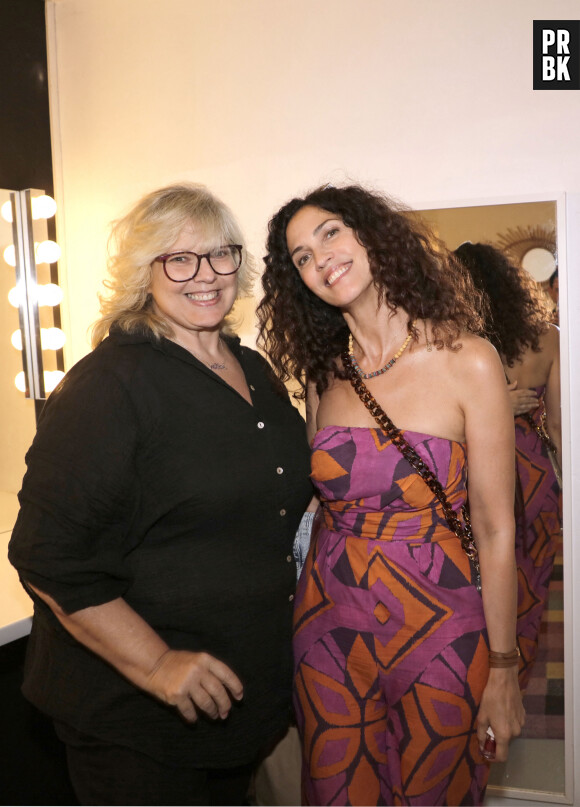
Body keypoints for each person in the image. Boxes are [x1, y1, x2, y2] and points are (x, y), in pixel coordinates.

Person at [8, 183, 313, 806]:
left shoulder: (251, 367)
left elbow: (275, 497)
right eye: (179, 258)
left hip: (237, 710)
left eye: (220, 254)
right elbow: (49, 554)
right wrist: (156, 665)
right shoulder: (110, 385)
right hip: (136, 727)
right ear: (144, 273)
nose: (204, 275)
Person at [257, 184, 525, 806]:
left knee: (435, 787)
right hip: (327, 627)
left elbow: (496, 528)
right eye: (300, 256)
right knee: (334, 790)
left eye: (330, 233)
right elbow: (321, 510)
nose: (320, 257)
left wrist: (505, 666)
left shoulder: (469, 360)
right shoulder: (322, 375)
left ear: (372, 236)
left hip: (441, 625)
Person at [453, 242, 562, 690]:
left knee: (479, 585)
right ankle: (514, 681)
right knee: (529, 588)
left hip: (474, 474)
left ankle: (478, 690)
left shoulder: (455, 345)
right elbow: (558, 422)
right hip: (533, 476)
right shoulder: (549, 336)